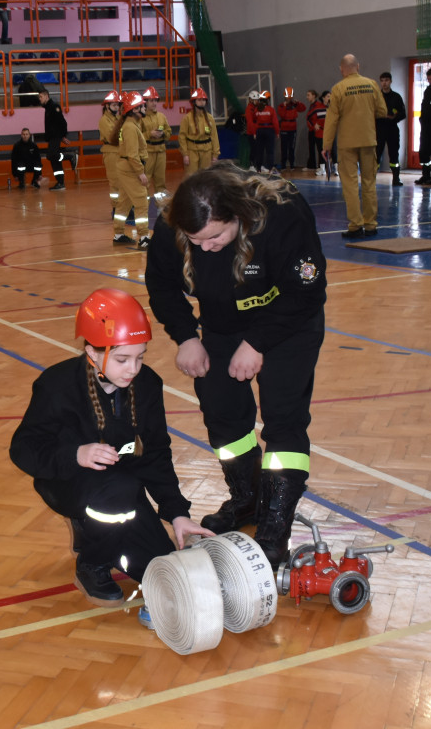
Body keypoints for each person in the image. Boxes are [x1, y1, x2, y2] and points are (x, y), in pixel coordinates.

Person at [145, 162, 327, 570]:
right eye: (195, 240)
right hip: (223, 324)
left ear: (238, 216)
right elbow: (161, 284)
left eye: (215, 237)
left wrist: (257, 343)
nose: (206, 248)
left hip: (288, 322)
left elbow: (307, 291)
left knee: (283, 418)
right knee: (221, 412)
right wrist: (186, 337)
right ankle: (247, 497)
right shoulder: (172, 227)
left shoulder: (282, 213)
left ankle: (275, 524)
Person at [9, 288, 214, 618]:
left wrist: (177, 513)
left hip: (122, 488)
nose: (133, 369)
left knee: (162, 565)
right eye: (122, 359)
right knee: (118, 493)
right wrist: (76, 454)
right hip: (66, 480)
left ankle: (97, 530)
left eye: (140, 357)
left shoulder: (147, 385)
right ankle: (92, 563)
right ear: (91, 351)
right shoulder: (57, 385)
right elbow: (23, 449)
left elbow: (156, 454)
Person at [322, 53, 386, 240]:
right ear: (358, 67)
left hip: (347, 143)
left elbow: (331, 120)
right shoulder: (372, 84)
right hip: (368, 140)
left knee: (349, 185)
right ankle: (371, 225)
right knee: (369, 183)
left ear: (341, 70)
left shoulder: (338, 89)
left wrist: (326, 145)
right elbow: (382, 111)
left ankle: (355, 225)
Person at [113, 90, 149, 249]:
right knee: (141, 200)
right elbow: (133, 155)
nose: (145, 108)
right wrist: (140, 173)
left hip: (125, 167)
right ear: (135, 109)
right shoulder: (130, 127)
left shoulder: (130, 125)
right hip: (130, 169)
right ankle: (144, 237)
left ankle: (118, 234)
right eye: (142, 106)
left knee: (124, 202)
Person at [38, 88, 76, 191]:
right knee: (54, 159)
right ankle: (60, 182)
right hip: (52, 137)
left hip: (55, 136)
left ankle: (70, 155)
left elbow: (62, 122)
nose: (39, 99)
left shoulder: (54, 107)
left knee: (51, 155)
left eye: (41, 97)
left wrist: (62, 135)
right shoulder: (48, 108)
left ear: (46, 96)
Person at [177, 87, 219, 176]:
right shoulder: (187, 118)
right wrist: (185, 154)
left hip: (207, 151)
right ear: (194, 102)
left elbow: (214, 137)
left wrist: (215, 155)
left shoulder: (210, 118)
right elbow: (182, 137)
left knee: (206, 176)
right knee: (191, 176)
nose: (202, 102)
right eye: (199, 100)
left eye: (203, 100)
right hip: (192, 152)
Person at [375, 71, 406, 186]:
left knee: (394, 153)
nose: (384, 83)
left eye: (386, 80)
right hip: (379, 128)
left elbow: (403, 114)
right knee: (376, 153)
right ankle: (372, 178)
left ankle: (396, 178)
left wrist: (394, 117)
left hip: (392, 128)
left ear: (391, 81)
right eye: (382, 81)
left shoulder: (396, 97)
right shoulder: (376, 96)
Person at [97, 89, 124, 225]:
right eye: (114, 105)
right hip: (111, 153)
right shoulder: (104, 120)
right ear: (107, 106)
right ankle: (115, 208)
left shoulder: (118, 118)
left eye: (117, 105)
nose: (116, 107)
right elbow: (112, 137)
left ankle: (122, 208)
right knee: (115, 183)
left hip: (120, 151)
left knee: (123, 182)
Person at [140, 86, 170, 201]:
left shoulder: (161, 116)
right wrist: (149, 134)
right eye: (151, 101)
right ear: (145, 102)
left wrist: (163, 133)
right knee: (145, 181)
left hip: (161, 151)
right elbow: (137, 136)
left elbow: (169, 132)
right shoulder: (141, 118)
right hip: (147, 152)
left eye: (155, 100)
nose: (154, 103)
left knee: (161, 182)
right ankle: (145, 207)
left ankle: (161, 207)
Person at [245, 90, 279, 174]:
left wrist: (255, 132)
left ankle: (259, 167)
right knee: (263, 150)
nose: (257, 101)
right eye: (255, 100)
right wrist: (277, 132)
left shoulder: (257, 109)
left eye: (257, 100)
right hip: (259, 132)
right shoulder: (268, 109)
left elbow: (255, 120)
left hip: (258, 132)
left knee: (259, 150)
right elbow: (251, 122)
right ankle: (259, 166)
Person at [276, 87, 305, 170]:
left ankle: (292, 164)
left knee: (292, 147)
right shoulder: (281, 106)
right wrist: (285, 107)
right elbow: (282, 115)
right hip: (284, 129)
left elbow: (303, 109)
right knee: (284, 148)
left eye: (290, 97)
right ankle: (283, 165)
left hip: (293, 129)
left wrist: (298, 103)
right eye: (287, 97)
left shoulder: (294, 105)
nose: (289, 99)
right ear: (285, 96)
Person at [304, 88, 322, 170]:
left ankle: (321, 166)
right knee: (311, 148)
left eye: (308, 95)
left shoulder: (318, 105)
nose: (307, 97)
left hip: (317, 130)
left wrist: (316, 125)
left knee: (319, 148)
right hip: (311, 130)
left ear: (313, 96)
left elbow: (320, 117)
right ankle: (311, 165)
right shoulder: (311, 106)